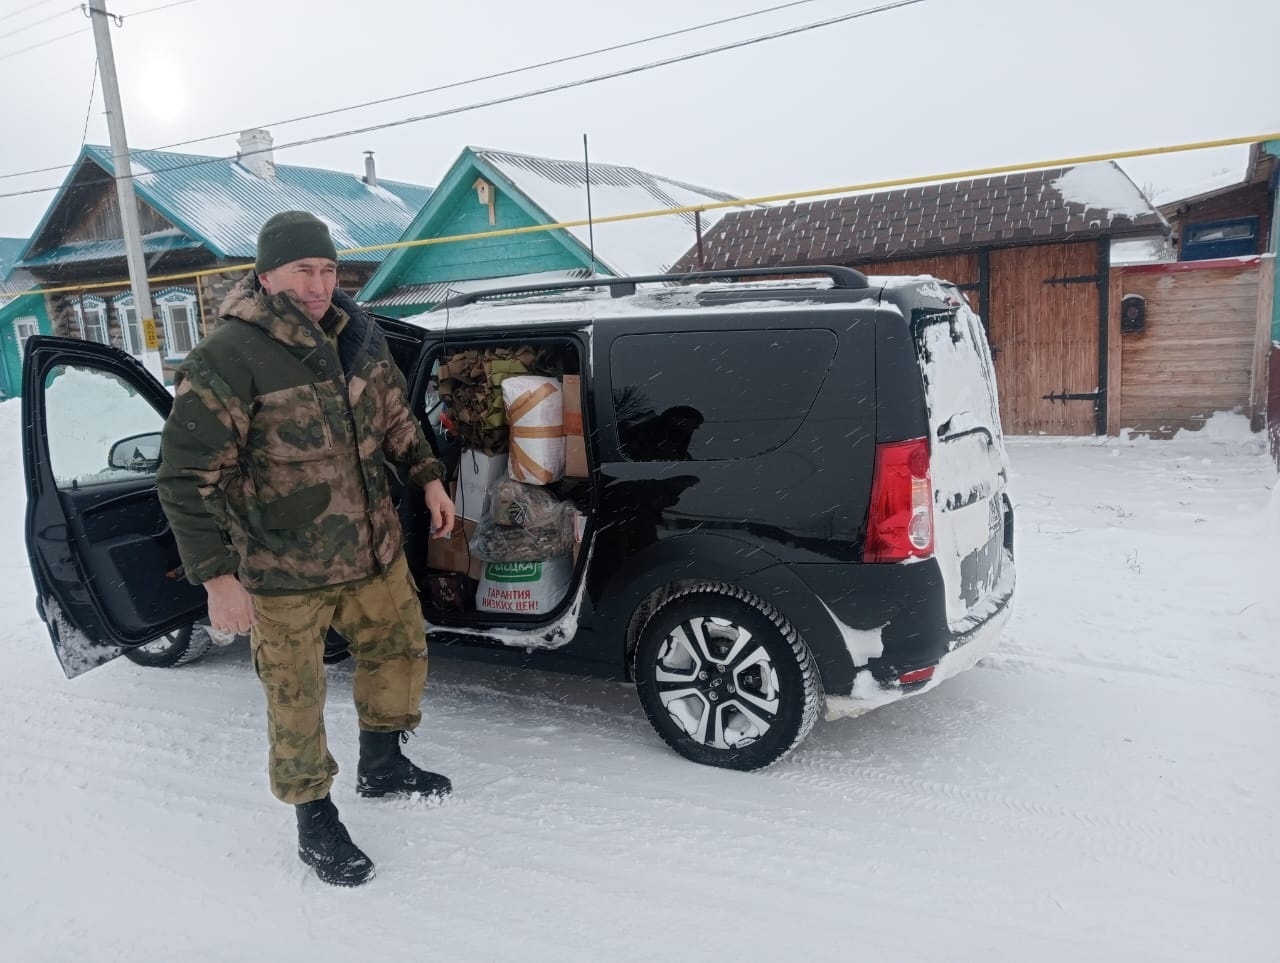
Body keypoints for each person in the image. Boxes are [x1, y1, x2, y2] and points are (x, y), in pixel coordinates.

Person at [156, 210, 456, 887]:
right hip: (283, 567)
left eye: (326, 270)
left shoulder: (356, 336)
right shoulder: (228, 357)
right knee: (295, 695)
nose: (319, 285)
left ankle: (383, 762)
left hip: (373, 549)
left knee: (399, 651)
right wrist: (217, 578)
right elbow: (183, 477)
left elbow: (394, 416)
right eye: (302, 272)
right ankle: (314, 818)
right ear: (266, 277)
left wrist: (428, 477)